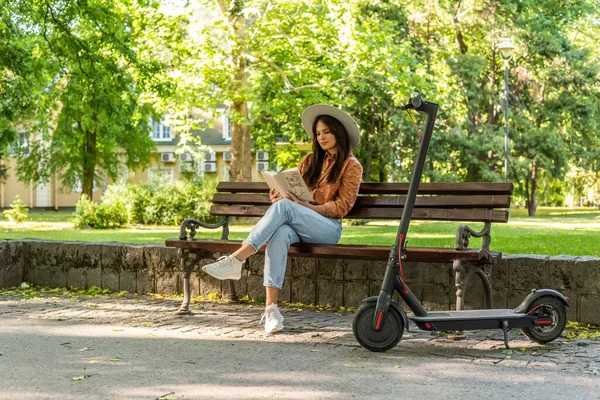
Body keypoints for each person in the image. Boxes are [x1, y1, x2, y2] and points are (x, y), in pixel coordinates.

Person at [202, 104, 363, 334]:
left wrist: (306, 207)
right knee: (280, 232)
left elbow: (342, 206)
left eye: (326, 131)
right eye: (317, 133)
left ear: (339, 132)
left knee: (286, 209)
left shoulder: (351, 165)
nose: (321, 137)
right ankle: (271, 311)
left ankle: (236, 260)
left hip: (328, 228)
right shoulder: (309, 161)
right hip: (298, 223)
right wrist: (279, 194)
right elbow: (294, 196)